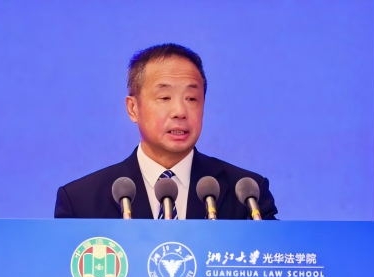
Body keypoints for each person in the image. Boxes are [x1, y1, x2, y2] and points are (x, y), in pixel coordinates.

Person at [54, 43, 278, 220]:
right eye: (164, 98)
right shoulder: (80, 201)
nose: (180, 111)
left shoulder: (248, 195)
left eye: (192, 99)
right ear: (133, 108)